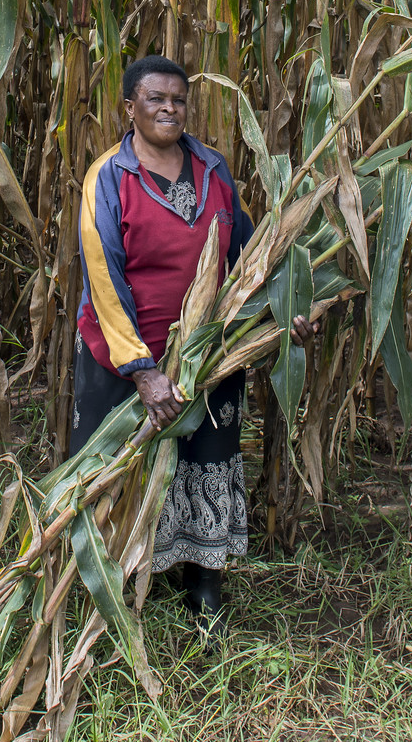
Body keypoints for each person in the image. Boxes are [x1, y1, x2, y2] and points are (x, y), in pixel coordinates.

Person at [70, 55, 311, 629]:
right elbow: (103, 277)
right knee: (121, 461)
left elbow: (251, 252)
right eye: (155, 99)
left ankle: (202, 583)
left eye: (178, 99)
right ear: (129, 107)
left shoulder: (212, 169)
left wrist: (290, 305)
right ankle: (116, 581)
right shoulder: (109, 176)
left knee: (205, 454)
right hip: (127, 355)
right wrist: (143, 371)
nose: (169, 109)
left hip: (208, 349)